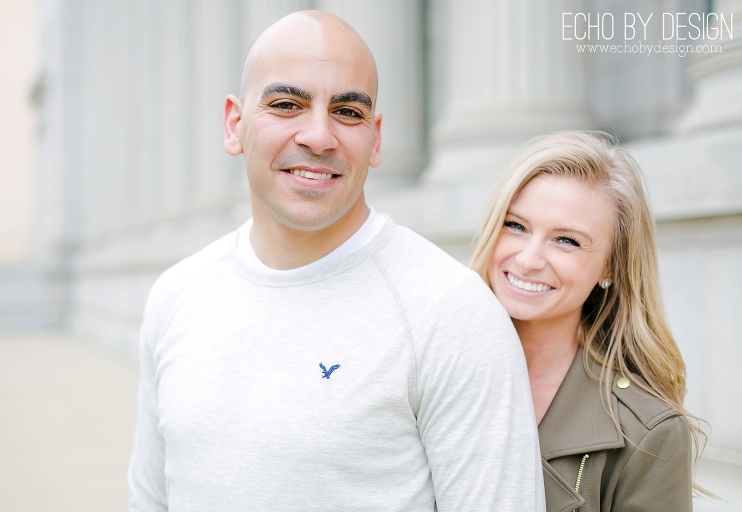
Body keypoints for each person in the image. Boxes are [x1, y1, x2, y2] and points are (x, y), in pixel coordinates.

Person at [128, 10, 544, 511]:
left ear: (376, 138)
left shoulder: (451, 313)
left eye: (348, 112)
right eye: (287, 104)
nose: (319, 136)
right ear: (234, 126)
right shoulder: (177, 295)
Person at [470, 131, 704, 511]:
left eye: (567, 240)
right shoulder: (426, 367)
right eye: (515, 226)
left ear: (610, 264)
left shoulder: (649, 433)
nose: (528, 259)